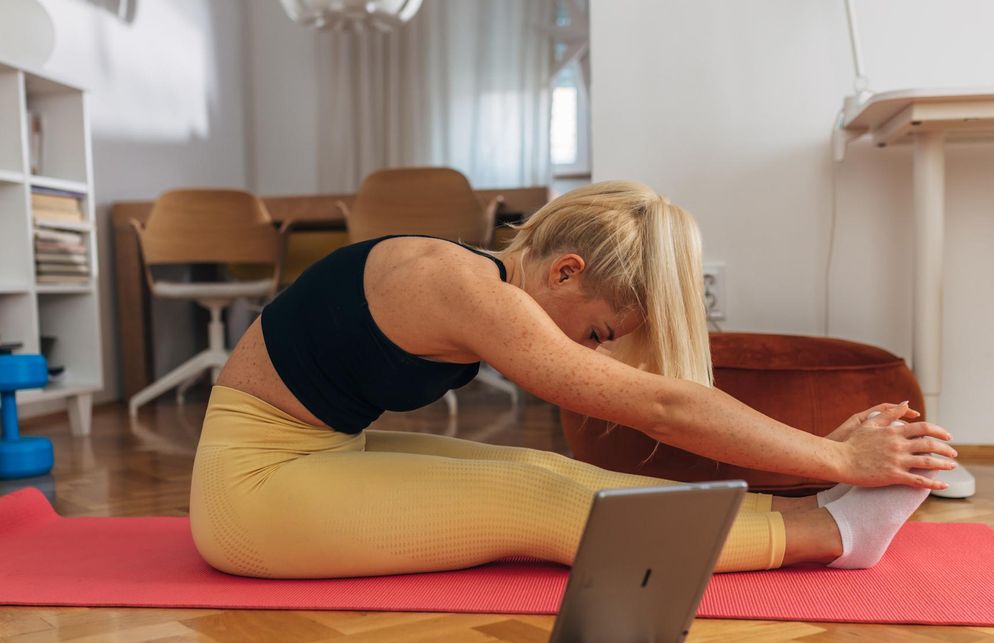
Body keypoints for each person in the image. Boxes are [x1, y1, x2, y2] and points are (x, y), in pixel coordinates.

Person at [189, 180, 957, 579]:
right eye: (596, 332)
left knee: (551, 467)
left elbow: (655, 399)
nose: (595, 351)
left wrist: (817, 463)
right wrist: (835, 456)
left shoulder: (469, 274)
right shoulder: (461, 286)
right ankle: (832, 533)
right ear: (565, 270)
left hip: (315, 456)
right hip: (252, 492)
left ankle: (813, 511)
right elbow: (658, 405)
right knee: (541, 500)